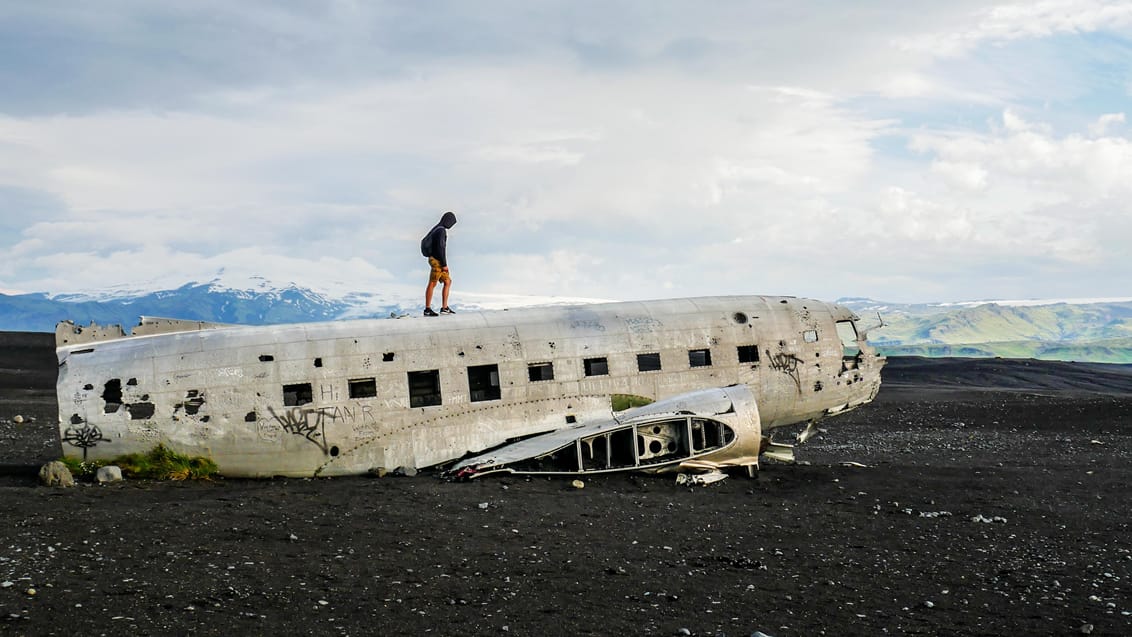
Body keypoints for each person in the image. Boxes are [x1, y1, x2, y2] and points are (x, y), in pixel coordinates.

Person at [420, 211, 457, 316]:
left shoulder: (437, 228)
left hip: (436, 259)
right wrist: (444, 264)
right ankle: (427, 309)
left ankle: (444, 308)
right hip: (437, 261)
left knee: (447, 281)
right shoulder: (441, 231)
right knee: (433, 283)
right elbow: (441, 248)